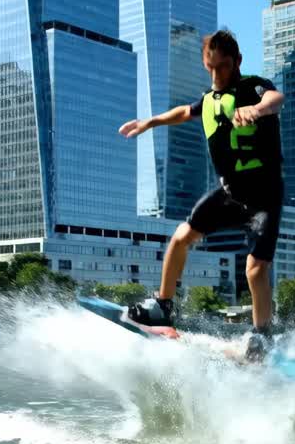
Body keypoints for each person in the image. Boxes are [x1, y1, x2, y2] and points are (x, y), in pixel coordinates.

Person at [118, 29, 285, 361]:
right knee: (181, 237)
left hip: (264, 197)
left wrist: (257, 110)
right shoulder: (210, 99)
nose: (217, 74)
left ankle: (262, 337)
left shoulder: (252, 88)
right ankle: (162, 306)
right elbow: (184, 112)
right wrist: (150, 122)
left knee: (255, 269)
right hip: (231, 195)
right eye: (211, 67)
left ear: (237, 61)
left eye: (223, 66)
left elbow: (275, 98)